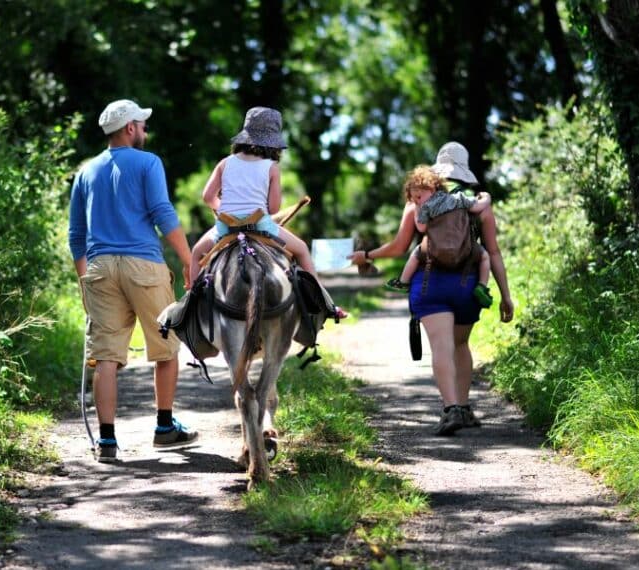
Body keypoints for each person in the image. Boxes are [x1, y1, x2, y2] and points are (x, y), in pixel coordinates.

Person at [349, 142, 515, 435]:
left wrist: (367, 256)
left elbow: (400, 246)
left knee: (441, 345)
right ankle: (463, 408)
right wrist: (505, 295)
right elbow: (494, 252)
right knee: (460, 345)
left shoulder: (418, 201)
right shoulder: (478, 203)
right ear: (464, 172)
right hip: (467, 284)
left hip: (429, 282)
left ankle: (450, 408)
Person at [68, 99, 199, 462]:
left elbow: (76, 234)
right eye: (142, 124)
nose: (145, 130)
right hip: (144, 266)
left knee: (106, 356)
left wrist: (85, 282)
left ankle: (106, 442)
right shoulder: (149, 163)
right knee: (166, 347)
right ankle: (164, 427)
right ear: (130, 128)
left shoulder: (85, 172)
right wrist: (189, 262)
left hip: (100, 269)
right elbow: (162, 213)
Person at [187, 106, 348, 319]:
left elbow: (208, 197)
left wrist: (225, 211)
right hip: (260, 226)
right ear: (273, 141)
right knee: (301, 250)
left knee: (197, 253)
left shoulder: (225, 163)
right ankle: (324, 303)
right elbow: (273, 209)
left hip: (226, 227)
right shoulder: (271, 167)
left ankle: (191, 306)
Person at [386, 174, 494, 309]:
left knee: (415, 254)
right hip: (463, 247)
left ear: (431, 190)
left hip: (434, 248)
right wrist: (487, 198)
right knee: (484, 257)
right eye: (415, 200)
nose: (418, 201)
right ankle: (482, 286)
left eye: (418, 198)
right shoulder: (459, 198)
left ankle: (404, 281)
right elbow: (478, 207)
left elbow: (421, 227)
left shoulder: (426, 208)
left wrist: (417, 209)